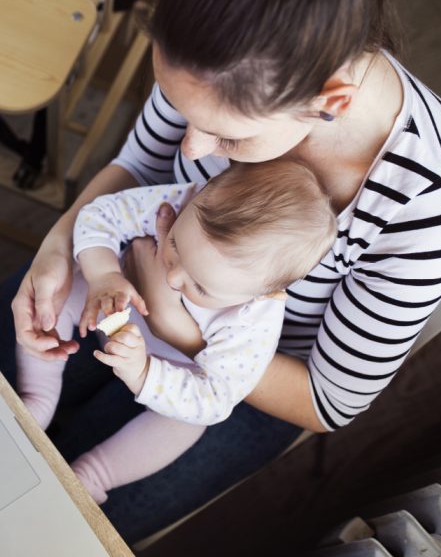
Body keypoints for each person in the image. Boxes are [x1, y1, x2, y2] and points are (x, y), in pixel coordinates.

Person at [0, 0, 441, 543]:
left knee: (41, 527)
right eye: (180, 109)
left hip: (246, 379)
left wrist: (183, 333)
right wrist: (57, 246)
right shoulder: (216, 41)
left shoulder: (430, 191)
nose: (193, 147)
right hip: (120, 268)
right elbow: (141, 165)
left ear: (330, 101)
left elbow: (328, 399)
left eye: (229, 138)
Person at [17, 160, 336, 503]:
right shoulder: (185, 201)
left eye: (199, 286)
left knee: (187, 423)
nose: (172, 279)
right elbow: (99, 215)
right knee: (60, 293)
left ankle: (94, 475)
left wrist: (144, 373)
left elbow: (215, 397)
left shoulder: (255, 319)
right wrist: (103, 275)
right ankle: (38, 396)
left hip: (173, 367)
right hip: (112, 303)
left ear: (263, 293)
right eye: (175, 247)